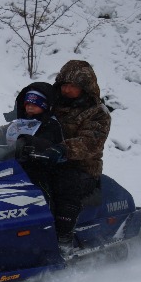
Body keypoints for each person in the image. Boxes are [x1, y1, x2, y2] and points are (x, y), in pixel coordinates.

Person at [48, 60, 111, 255]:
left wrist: (60, 149)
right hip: (47, 162)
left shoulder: (97, 113)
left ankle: (63, 240)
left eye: (72, 86)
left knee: (64, 186)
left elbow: (90, 143)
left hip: (81, 169)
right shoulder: (51, 105)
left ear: (85, 88)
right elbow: (27, 123)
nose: (66, 90)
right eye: (63, 85)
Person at [0, 82, 64, 196]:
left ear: (45, 105)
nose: (30, 106)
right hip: (9, 164)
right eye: (27, 103)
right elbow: (3, 133)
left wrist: (28, 143)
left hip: (37, 167)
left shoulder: (50, 124)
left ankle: (46, 206)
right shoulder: (19, 123)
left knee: (40, 182)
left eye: (35, 103)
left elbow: (48, 142)